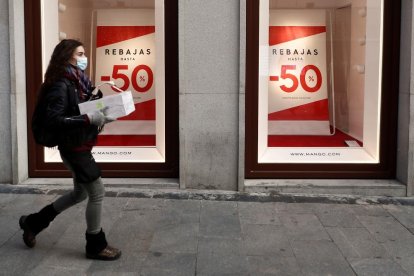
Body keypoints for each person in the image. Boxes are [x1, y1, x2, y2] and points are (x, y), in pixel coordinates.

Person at [19, 39, 121, 261]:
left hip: (79, 142)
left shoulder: (77, 81)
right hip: (74, 147)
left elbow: (78, 108)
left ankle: (33, 223)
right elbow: (54, 119)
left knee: (80, 193)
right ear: (67, 56)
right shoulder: (61, 84)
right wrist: (88, 118)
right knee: (97, 192)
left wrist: (100, 113)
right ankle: (95, 245)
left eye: (84, 53)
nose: (84, 58)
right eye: (80, 54)